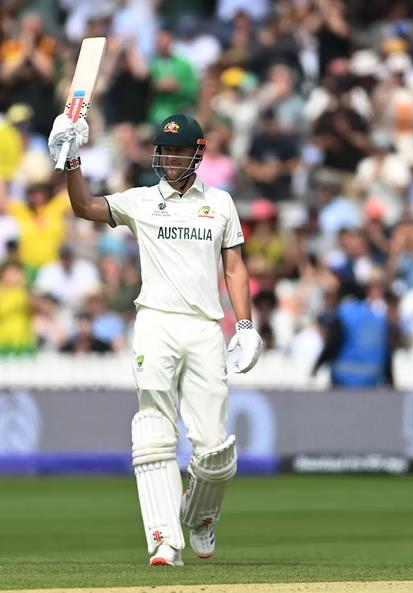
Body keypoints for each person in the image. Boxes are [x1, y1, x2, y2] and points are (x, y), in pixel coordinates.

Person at [48, 112, 263, 566]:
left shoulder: (220, 203)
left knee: (214, 449)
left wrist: (244, 326)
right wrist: (72, 160)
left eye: (178, 151)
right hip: (155, 323)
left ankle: (200, 515)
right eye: (164, 151)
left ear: (197, 154)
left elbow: (235, 268)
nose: (169, 159)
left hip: (204, 327)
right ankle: (165, 539)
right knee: (153, 433)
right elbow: (84, 206)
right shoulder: (141, 200)